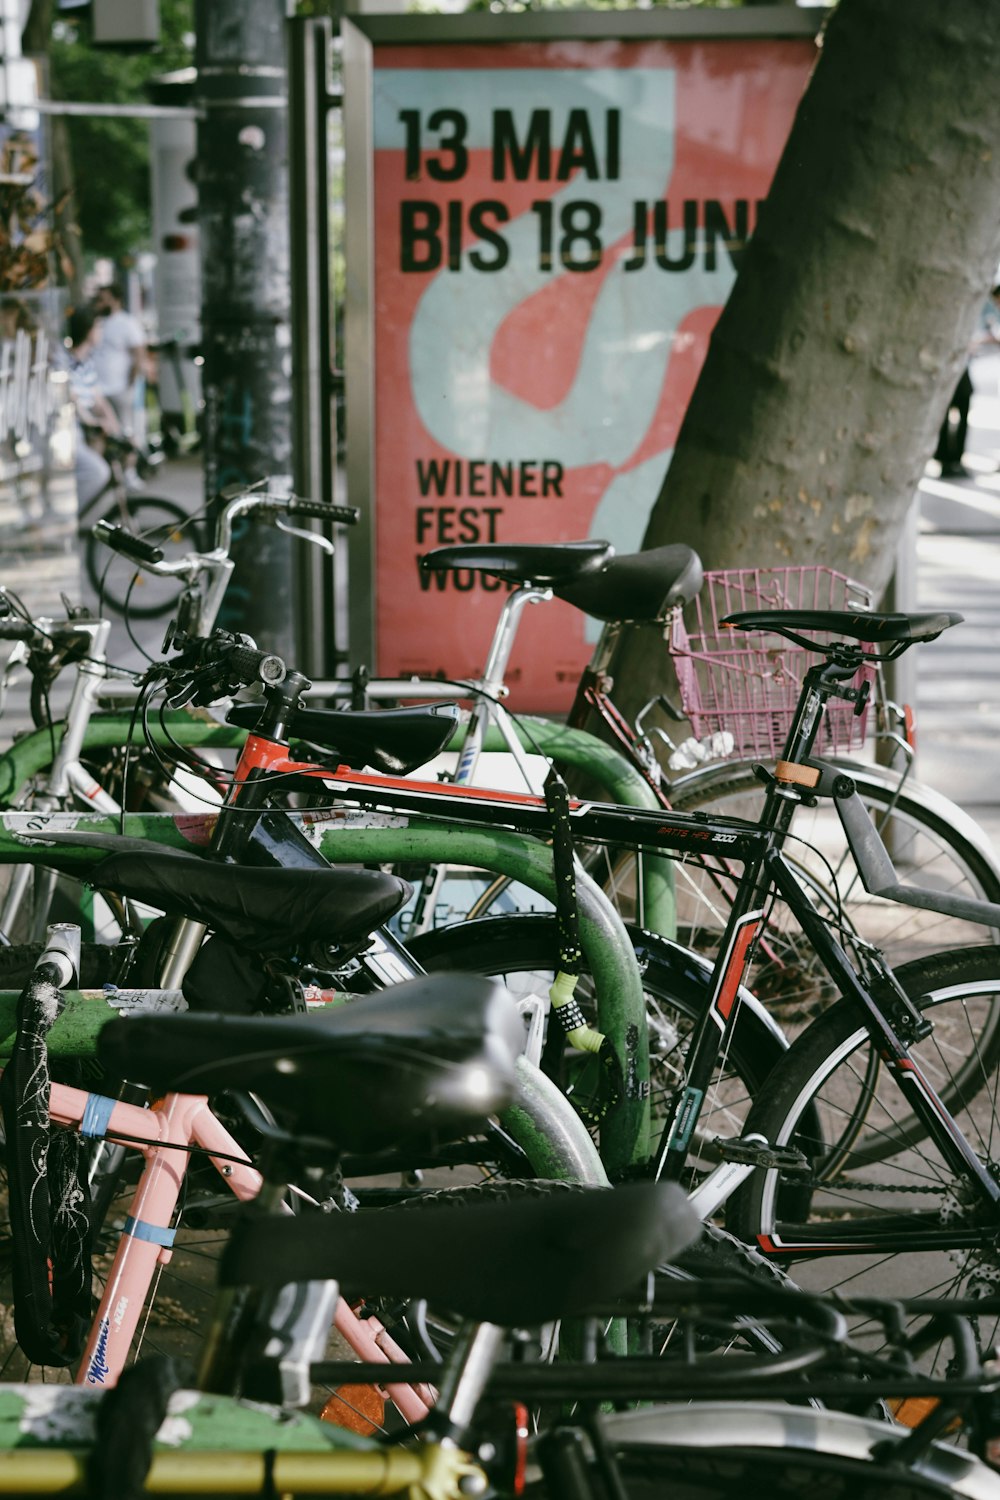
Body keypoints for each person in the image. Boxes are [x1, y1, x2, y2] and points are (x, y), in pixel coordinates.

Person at [92, 282, 152, 482]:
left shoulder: (127, 323)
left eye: (104, 298)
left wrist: (130, 384)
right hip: (98, 389)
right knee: (101, 432)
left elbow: (139, 354)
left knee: (126, 431)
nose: (100, 303)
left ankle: (129, 472)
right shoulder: (98, 322)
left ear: (115, 299)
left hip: (120, 387)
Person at [63, 305, 118, 510]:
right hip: (66, 434)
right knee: (97, 472)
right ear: (87, 330)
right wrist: (93, 422)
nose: (101, 332)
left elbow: (99, 401)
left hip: (80, 433)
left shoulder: (87, 363)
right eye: (98, 327)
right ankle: (66, 515)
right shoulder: (65, 362)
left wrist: (117, 428)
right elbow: (72, 400)